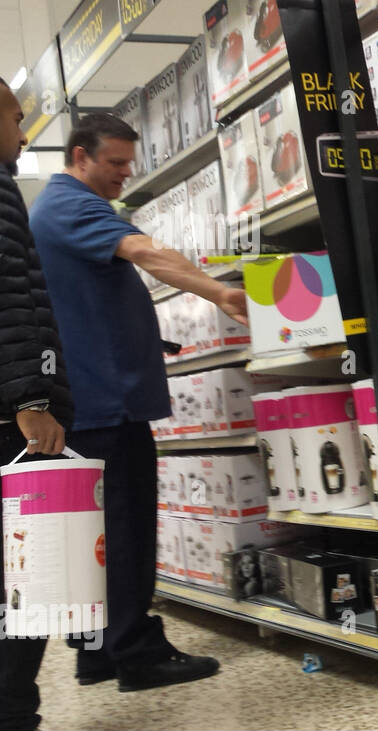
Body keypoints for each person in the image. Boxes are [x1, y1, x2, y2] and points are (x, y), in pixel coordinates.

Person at [29, 113, 247, 692]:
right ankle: (137, 653)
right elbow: (149, 253)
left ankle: (97, 650)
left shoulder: (57, 212)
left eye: (130, 163)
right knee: (123, 533)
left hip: (93, 400)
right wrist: (221, 291)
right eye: (115, 163)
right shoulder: (72, 206)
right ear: (79, 157)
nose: (125, 175)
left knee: (98, 538)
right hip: (106, 404)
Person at [0, 76, 74, 730]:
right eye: (16, 118)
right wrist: (29, 396)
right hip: (12, 423)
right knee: (33, 576)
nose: (23, 136)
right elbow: (8, 295)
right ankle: (14, 713)